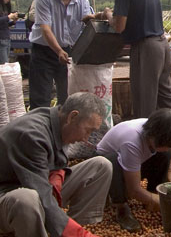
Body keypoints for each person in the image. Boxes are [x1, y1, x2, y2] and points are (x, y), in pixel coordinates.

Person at [0, 92, 112, 237]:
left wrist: (58, 175)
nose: (86, 138)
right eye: (87, 131)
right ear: (73, 116)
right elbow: (41, 195)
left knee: (101, 166)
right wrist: (77, 234)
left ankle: (74, 225)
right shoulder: (32, 135)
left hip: (38, 184)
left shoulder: (59, 122)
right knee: (27, 199)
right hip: (8, 195)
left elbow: (57, 165)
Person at [96, 108, 171, 232]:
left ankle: (153, 193)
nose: (168, 148)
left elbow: (169, 152)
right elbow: (134, 190)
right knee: (111, 162)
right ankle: (121, 207)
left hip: (132, 161)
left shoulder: (159, 129)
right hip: (104, 172)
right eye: (166, 145)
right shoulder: (132, 141)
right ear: (154, 137)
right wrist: (165, 203)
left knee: (163, 155)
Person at [28, 0, 93, 110]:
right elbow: (45, 28)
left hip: (68, 53)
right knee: (41, 97)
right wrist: (58, 51)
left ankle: (62, 129)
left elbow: (87, 23)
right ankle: (40, 128)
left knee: (68, 97)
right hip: (44, 52)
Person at [0, 0, 18, 64]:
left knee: (6, 63)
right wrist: (8, 17)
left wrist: (13, 22)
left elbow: (4, 25)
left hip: (6, 39)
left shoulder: (4, 8)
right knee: (4, 64)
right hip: (1, 40)